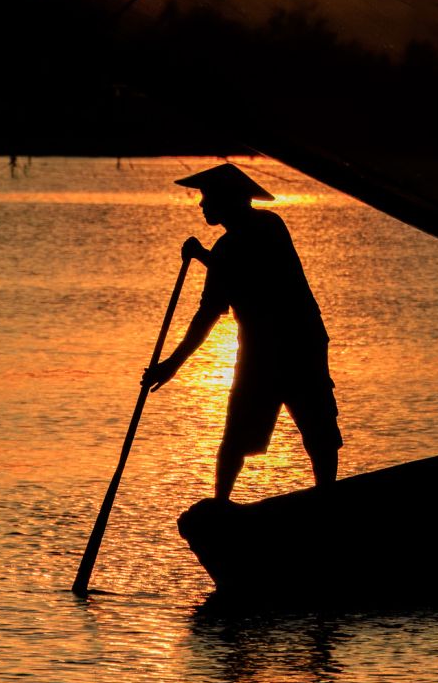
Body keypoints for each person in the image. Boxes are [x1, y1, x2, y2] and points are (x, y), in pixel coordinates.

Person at [144, 162, 341, 501]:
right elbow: (219, 299)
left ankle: (328, 498)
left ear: (228, 199)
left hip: (295, 346)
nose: (202, 205)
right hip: (262, 352)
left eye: (208, 197)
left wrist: (203, 257)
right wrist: (171, 366)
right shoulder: (231, 247)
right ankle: (222, 505)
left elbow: (246, 280)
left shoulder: (266, 228)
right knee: (236, 438)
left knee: (317, 428)